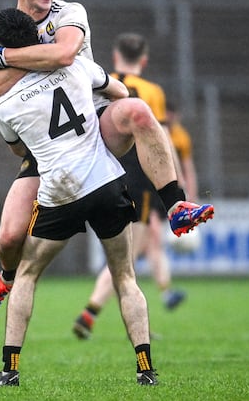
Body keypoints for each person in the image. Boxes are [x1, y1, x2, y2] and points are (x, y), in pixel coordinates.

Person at [0, 0, 213, 317]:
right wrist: (32, 55)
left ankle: (177, 205)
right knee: (8, 238)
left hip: (97, 124)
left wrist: (4, 57)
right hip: (46, 146)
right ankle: (6, 277)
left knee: (136, 109)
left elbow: (66, 54)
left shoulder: (69, 12)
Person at [0, 7, 156, 386]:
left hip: (59, 191)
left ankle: (10, 370)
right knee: (125, 277)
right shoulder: (76, 64)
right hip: (105, 182)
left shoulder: (2, 105)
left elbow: (20, 152)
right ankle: (145, 369)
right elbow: (120, 92)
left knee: (26, 275)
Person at [72, 33, 194, 340]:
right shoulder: (152, 92)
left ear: (115, 57)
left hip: (101, 171)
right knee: (127, 259)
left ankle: (133, 316)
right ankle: (93, 313)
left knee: (134, 252)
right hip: (138, 178)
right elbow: (160, 141)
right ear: (144, 60)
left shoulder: (101, 80)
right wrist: (178, 192)